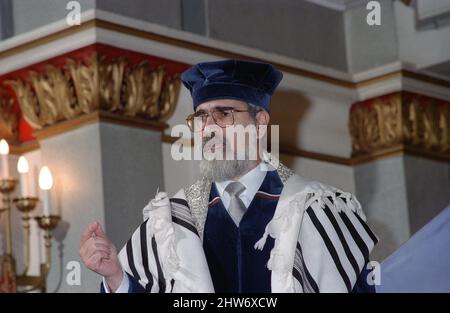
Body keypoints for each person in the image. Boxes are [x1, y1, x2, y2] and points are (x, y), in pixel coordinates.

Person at [79, 59, 378, 293]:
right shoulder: (170, 222)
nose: (209, 127)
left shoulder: (317, 210)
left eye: (223, 114)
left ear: (260, 122)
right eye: (201, 116)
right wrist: (116, 277)